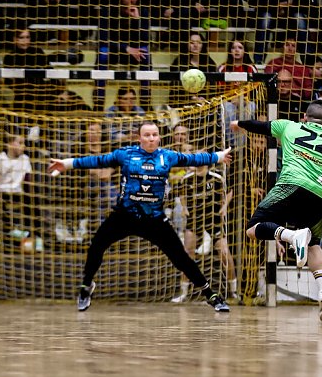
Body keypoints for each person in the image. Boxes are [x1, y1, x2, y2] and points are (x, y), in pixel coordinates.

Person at [48, 121, 233, 312]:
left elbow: (193, 159)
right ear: (139, 138)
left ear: (159, 137)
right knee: (96, 245)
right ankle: (86, 287)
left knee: (181, 258)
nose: (151, 138)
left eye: (154, 135)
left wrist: (218, 156)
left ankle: (211, 294)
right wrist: (67, 164)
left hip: (154, 219)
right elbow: (98, 160)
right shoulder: (125, 154)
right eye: (147, 135)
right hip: (124, 215)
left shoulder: (167, 157)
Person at [230, 100, 322, 321]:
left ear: (304, 116)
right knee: (314, 245)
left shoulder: (290, 126)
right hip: (320, 195)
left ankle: (291, 236)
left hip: (290, 185)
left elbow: (260, 126)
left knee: (253, 228)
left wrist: (238, 123)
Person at [170, 156, 237, 303]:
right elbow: (181, 193)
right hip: (195, 220)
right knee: (187, 254)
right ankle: (183, 293)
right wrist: (184, 208)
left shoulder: (217, 177)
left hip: (213, 219)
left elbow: (230, 191)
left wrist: (224, 206)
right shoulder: (187, 179)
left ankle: (234, 292)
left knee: (224, 253)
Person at [96, 0, 152, 111]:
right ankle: (98, 104)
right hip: (114, 51)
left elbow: (145, 40)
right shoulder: (108, 10)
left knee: (145, 53)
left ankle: (146, 104)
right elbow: (103, 38)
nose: (131, 0)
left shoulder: (142, 11)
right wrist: (126, 48)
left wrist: (137, 20)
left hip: (134, 53)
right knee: (102, 53)